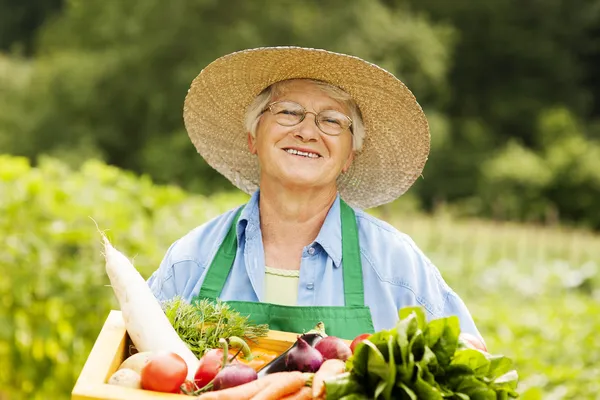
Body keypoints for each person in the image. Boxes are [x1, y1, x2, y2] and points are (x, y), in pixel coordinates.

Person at [148, 46, 485, 345]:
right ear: (253, 137)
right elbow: (134, 363)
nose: (307, 132)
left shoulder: (396, 267)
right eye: (288, 112)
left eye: (332, 121)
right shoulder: (191, 260)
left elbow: (469, 372)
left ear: (349, 155)